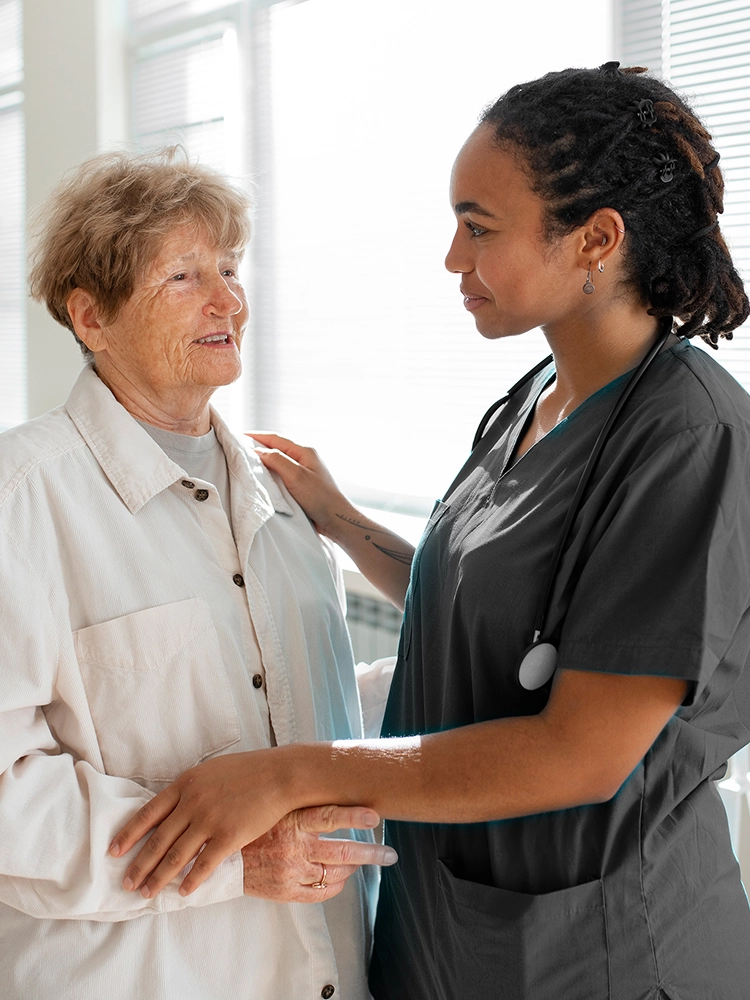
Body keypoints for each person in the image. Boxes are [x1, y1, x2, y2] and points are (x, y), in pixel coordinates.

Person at [110, 65, 750, 999]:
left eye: (479, 228)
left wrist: (289, 776)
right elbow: (495, 618)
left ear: (596, 240)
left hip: (599, 951)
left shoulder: (689, 438)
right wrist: (342, 522)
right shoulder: (535, 399)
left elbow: (579, 751)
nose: (454, 259)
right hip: (445, 930)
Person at [0, 148, 397, 1000]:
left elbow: (299, 703)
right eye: (183, 276)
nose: (228, 301)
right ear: (91, 317)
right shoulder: (20, 498)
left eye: (229, 269)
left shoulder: (283, 494)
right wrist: (235, 863)